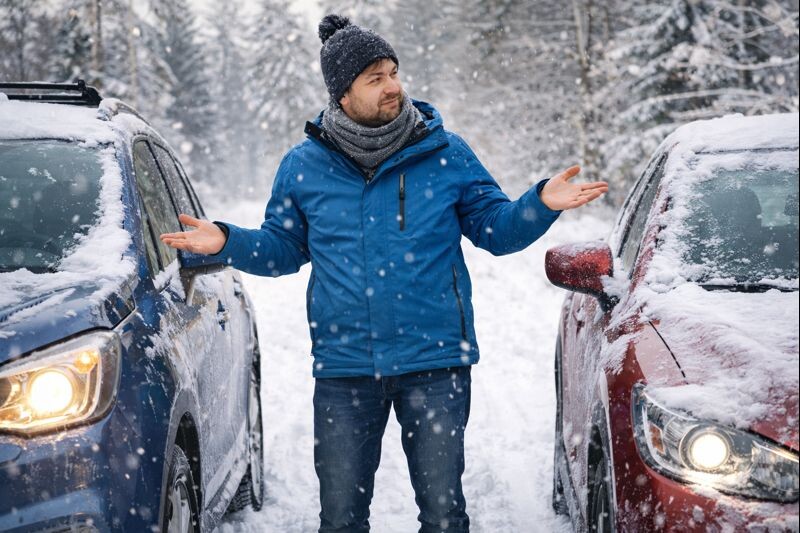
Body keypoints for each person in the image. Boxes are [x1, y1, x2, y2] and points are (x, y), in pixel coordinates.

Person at [161, 14, 608, 533]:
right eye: (375, 78)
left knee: (444, 516)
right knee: (342, 520)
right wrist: (229, 240)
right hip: (344, 370)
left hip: (435, 362)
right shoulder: (303, 167)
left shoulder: (446, 153)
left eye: (394, 72)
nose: (393, 86)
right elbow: (284, 249)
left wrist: (539, 204)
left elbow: (495, 230)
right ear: (343, 93)